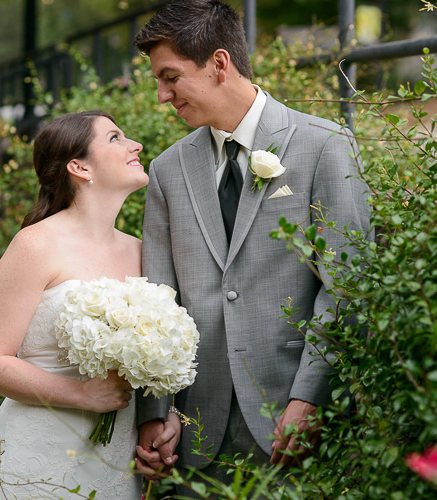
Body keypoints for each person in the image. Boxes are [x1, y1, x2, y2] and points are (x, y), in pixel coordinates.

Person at [132, 0, 369, 494]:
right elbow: (158, 302)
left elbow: (348, 284)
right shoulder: (167, 171)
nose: (161, 95)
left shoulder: (325, 145)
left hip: (295, 420)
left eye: (170, 77)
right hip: (194, 434)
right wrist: (155, 415)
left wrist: (311, 398)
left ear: (219, 64)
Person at [0, 110, 155, 499]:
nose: (135, 145)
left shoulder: (141, 252)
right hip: (41, 446)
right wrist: (84, 395)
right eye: (115, 138)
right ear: (79, 167)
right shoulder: (35, 246)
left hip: (115, 454)